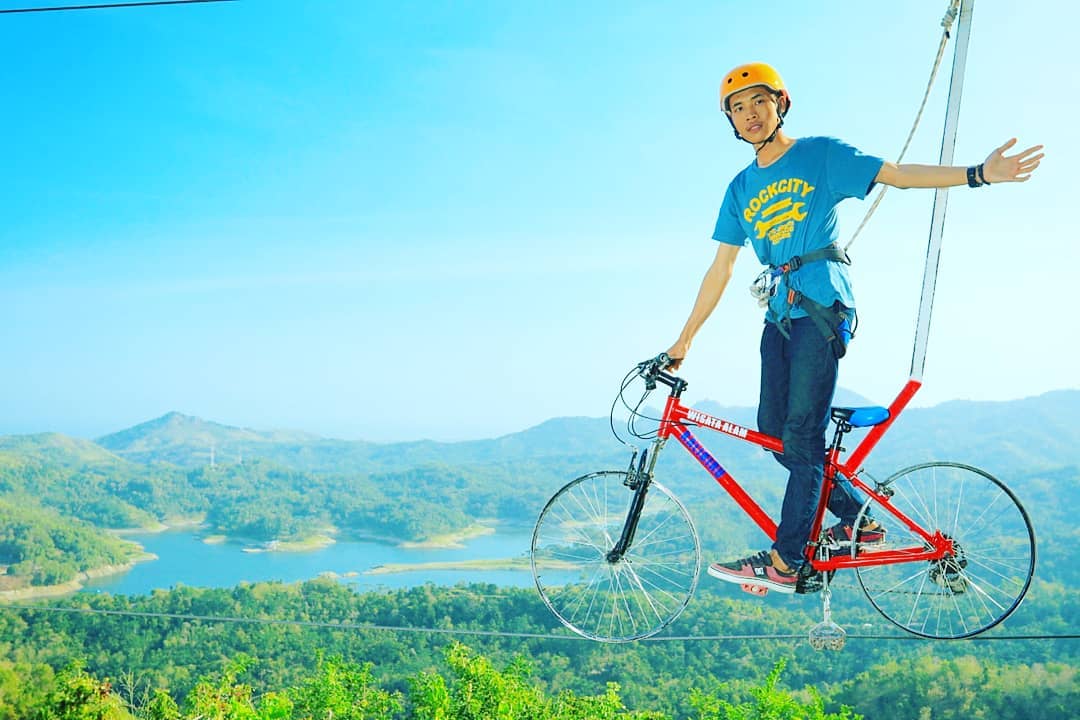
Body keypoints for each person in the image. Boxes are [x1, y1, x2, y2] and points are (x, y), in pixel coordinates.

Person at [664, 62, 1043, 595]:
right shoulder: (739, 187)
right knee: (776, 435)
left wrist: (978, 173)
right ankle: (858, 521)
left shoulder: (819, 154)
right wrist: (685, 339)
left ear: (781, 103)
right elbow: (720, 268)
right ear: (729, 120)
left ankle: (785, 561)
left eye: (758, 102)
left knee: (800, 437)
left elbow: (897, 173)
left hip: (822, 307)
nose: (749, 114)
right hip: (779, 315)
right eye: (737, 107)